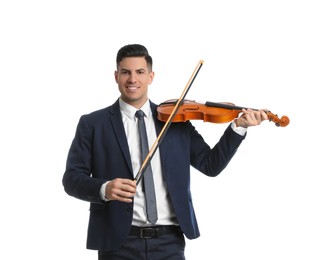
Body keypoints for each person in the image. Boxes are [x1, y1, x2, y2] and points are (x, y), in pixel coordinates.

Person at [62, 44, 268, 259]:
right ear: (116, 76)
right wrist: (105, 188)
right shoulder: (93, 123)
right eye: (126, 72)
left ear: (151, 76)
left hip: (169, 241)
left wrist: (239, 127)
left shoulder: (176, 121)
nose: (133, 79)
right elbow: (72, 179)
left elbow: (210, 165)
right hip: (117, 243)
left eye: (140, 72)